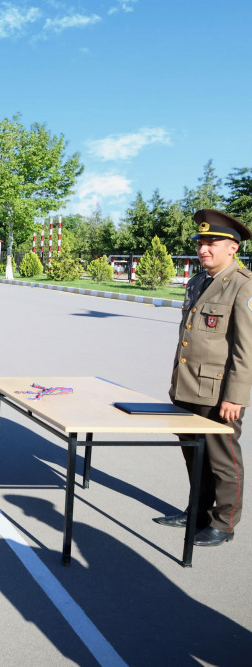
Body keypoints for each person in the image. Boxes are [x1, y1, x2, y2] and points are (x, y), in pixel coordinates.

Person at [155, 208, 251, 547]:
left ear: (233, 248)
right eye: (200, 243)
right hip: (187, 387)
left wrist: (236, 397)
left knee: (223, 460)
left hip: (219, 394)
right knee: (193, 455)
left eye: (212, 243)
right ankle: (197, 511)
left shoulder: (242, 287)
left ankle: (224, 523)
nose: (203, 249)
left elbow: (246, 348)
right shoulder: (198, 282)